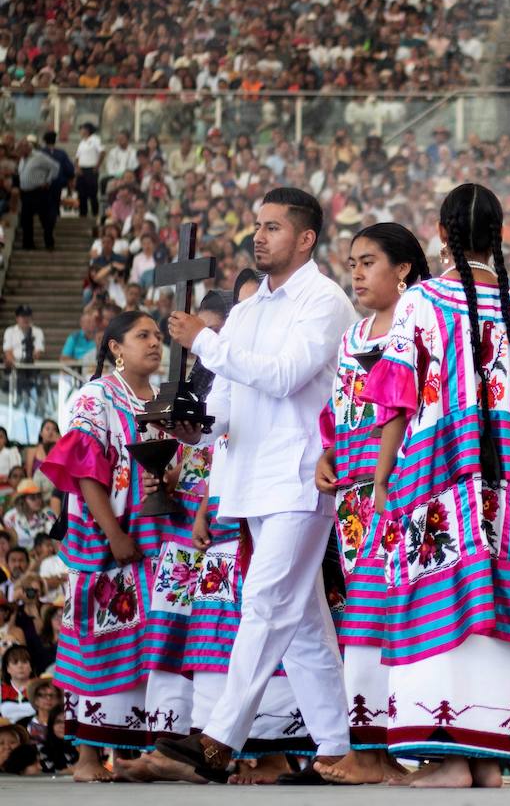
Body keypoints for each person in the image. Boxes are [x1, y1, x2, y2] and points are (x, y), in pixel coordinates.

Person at [361, 183, 510, 788]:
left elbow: (395, 402)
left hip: (437, 477)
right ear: (497, 236)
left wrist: (379, 475)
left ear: (441, 234)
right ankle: (486, 760)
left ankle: (449, 760)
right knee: (499, 603)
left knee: (441, 602)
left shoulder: (421, 302)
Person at [155, 188, 356, 782]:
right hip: (249, 477)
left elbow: (286, 376)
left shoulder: (324, 300)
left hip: (299, 475)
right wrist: (194, 429)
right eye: (257, 226)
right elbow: (227, 399)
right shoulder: (245, 312)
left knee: (266, 604)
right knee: (303, 629)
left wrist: (205, 342)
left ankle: (219, 737)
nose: (259, 237)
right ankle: (337, 748)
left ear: (306, 238)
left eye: (272, 227)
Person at [37, 311, 180, 781]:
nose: (155, 343)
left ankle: (139, 754)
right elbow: (82, 468)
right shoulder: (94, 397)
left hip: (156, 539)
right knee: (99, 640)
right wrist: (114, 534)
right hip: (107, 539)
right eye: (143, 336)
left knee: (148, 646)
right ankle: (86, 757)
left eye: (159, 336)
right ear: (116, 347)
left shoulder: (162, 400)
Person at [314, 223, 430, 785]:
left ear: (403, 269)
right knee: (362, 619)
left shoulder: (421, 326)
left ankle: (385, 752)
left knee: (392, 617)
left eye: (368, 262)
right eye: (352, 263)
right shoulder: (353, 335)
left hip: (408, 490)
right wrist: (326, 454)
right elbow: (336, 411)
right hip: (356, 497)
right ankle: (374, 753)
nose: (356, 274)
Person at [15, 139, 58, 251]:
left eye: (20, 149)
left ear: (26, 148)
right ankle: (28, 244)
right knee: (26, 219)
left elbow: (55, 167)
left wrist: (48, 181)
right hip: (25, 193)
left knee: (45, 219)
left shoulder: (39, 156)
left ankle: (49, 243)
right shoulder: (22, 159)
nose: (18, 152)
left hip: (39, 192)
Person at [2, 481, 52, 550]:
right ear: (22, 500)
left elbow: (53, 537)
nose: (38, 500)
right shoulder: (10, 516)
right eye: (32, 498)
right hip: (19, 554)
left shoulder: (48, 513)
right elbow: (10, 541)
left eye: (39, 496)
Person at [74, 122, 103, 221]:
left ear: (87, 130)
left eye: (82, 129)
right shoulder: (82, 142)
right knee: (81, 194)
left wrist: (97, 166)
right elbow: (77, 157)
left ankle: (95, 215)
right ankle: (82, 215)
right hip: (82, 170)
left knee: (92, 194)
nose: (81, 131)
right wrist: (77, 168)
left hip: (91, 169)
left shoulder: (95, 139)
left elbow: (102, 152)